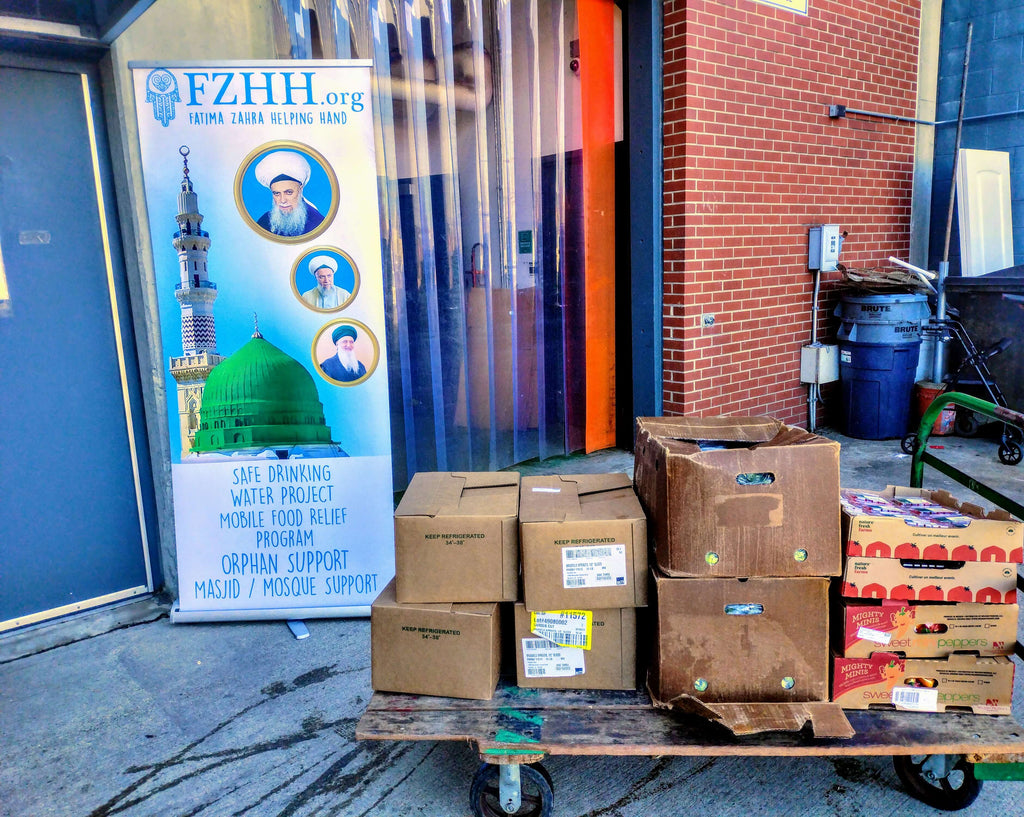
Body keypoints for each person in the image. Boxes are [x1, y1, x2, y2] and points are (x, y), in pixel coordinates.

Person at [253, 151, 326, 237]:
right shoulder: (264, 221)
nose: (283, 200)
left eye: (288, 192)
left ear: (300, 189)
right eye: (277, 193)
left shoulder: (317, 222)